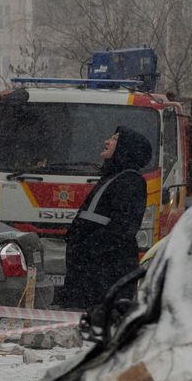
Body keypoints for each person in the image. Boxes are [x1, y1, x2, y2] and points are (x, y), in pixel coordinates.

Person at [54, 127, 152, 311]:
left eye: (114, 139)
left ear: (125, 148)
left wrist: (88, 247)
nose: (107, 141)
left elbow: (122, 228)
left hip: (104, 277)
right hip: (91, 275)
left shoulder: (130, 180)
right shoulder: (112, 178)